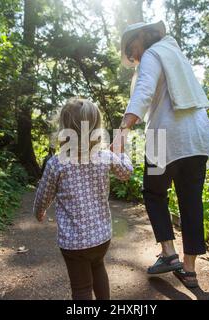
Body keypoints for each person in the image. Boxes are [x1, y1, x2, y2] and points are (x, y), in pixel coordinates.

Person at [112, 21, 209, 288]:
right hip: (197, 136)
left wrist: (122, 131)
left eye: (131, 48)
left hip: (162, 138)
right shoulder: (176, 55)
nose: (132, 56)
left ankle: (169, 254)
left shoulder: (153, 54)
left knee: (154, 193)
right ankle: (189, 270)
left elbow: (144, 92)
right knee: (191, 200)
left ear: (143, 36)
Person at [33, 97, 133, 299]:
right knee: (98, 269)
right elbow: (126, 173)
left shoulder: (57, 163)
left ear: (64, 128)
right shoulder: (105, 156)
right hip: (101, 237)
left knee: (81, 289)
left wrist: (39, 211)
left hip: (74, 242)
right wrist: (121, 153)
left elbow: (44, 194)